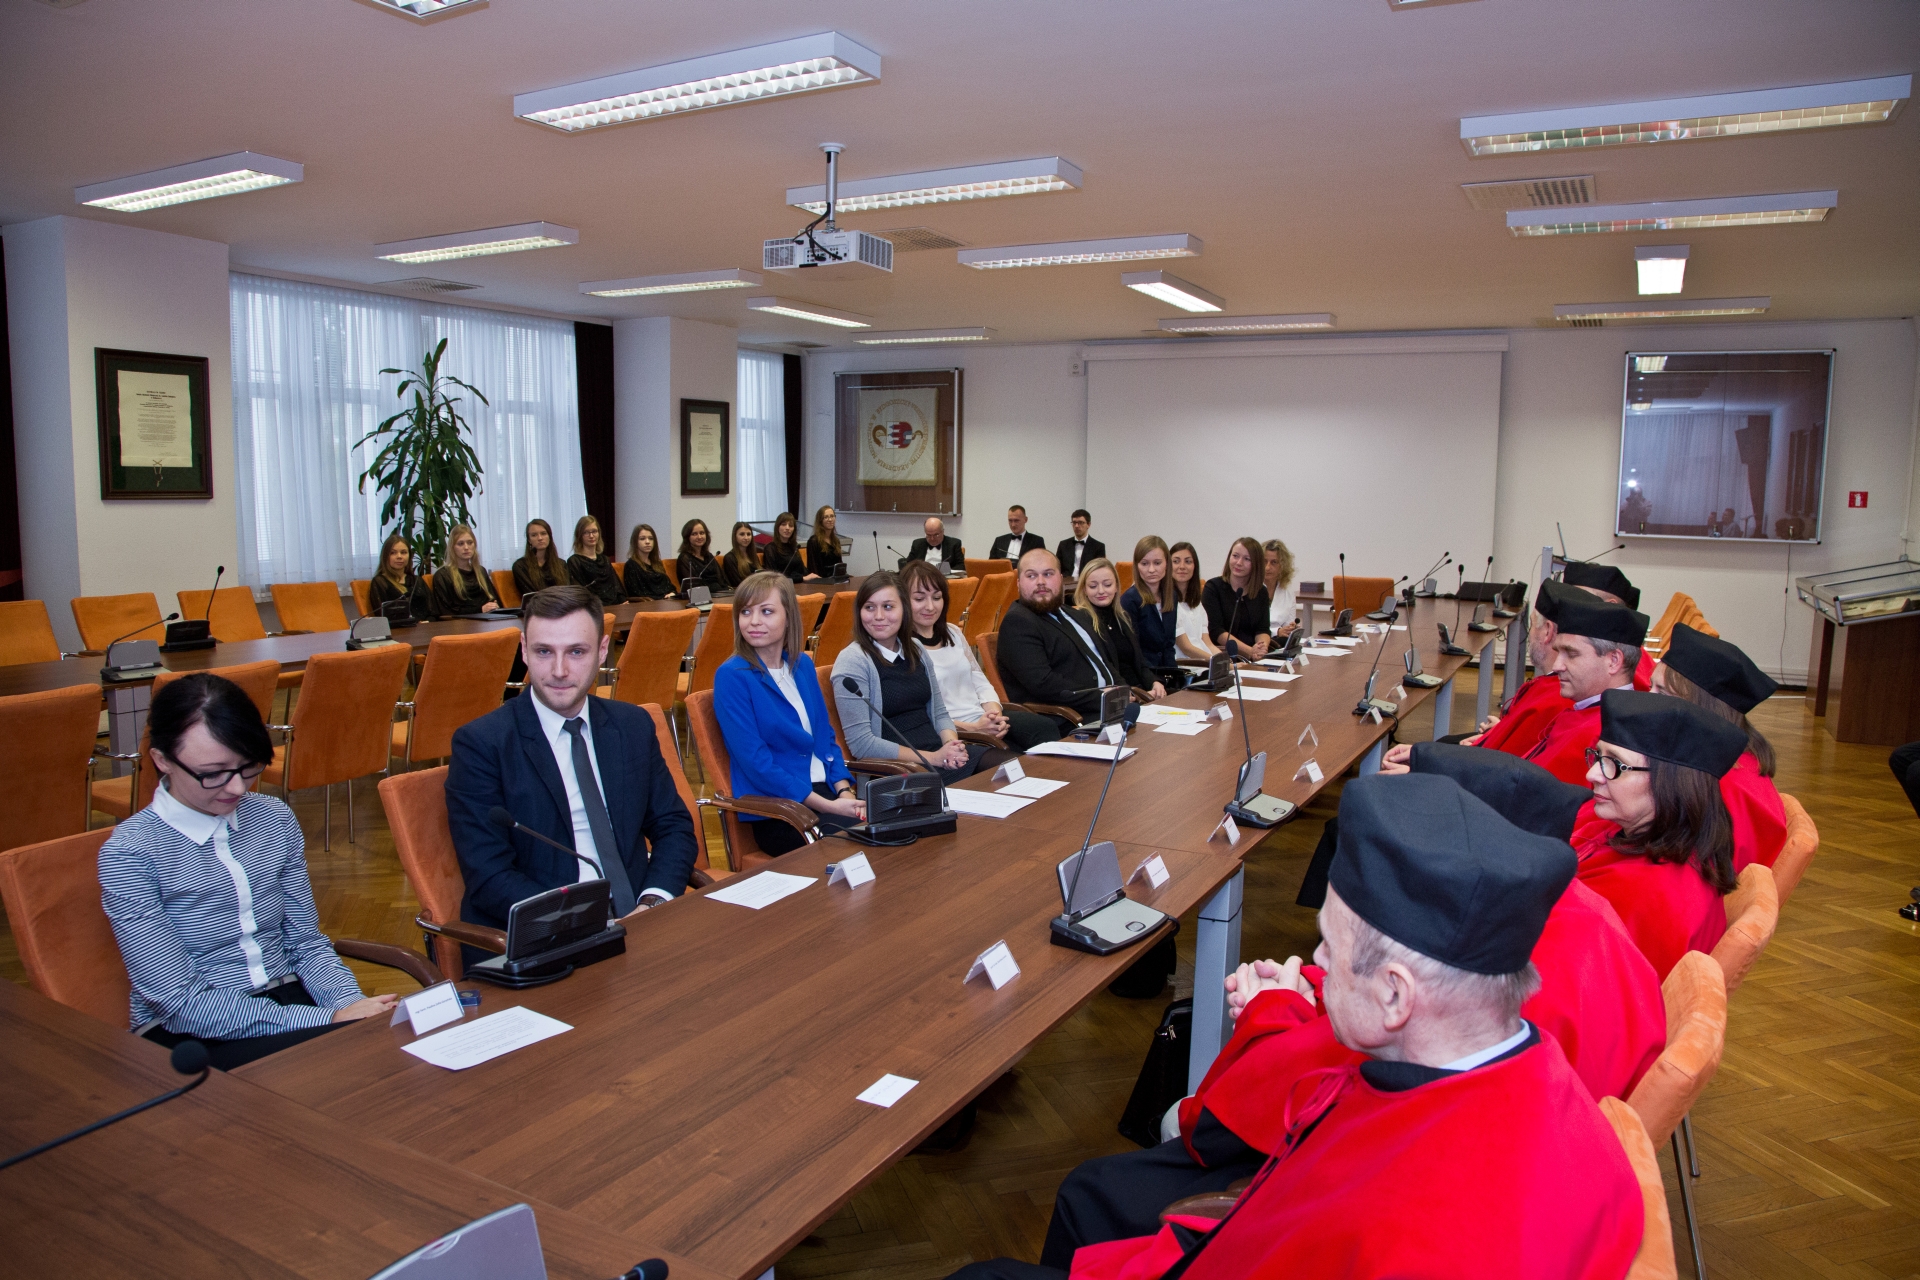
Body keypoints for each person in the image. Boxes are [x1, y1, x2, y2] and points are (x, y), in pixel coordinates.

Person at [961, 773, 1642, 1280]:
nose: (1315, 961)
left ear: (1396, 995)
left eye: (1329, 948)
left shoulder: (1420, 1236)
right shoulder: (1529, 1081)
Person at [99, 674, 396, 1071]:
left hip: (289, 999)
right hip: (189, 1030)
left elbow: (306, 942)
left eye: (249, 766)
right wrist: (328, 1019)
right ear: (162, 760)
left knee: (383, 1055)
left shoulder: (273, 819)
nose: (237, 788)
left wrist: (350, 1005)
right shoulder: (131, 853)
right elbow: (178, 1000)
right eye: (214, 772)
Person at [445, 586, 700, 945]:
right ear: (524, 650)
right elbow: (490, 876)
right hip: (546, 937)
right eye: (544, 651)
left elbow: (673, 826)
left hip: (642, 919)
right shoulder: (482, 744)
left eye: (576, 652)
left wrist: (653, 902)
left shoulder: (632, 725)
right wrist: (585, 927)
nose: (559, 670)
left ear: (602, 651)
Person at [1387, 579, 1645, 785]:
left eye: (1572, 654)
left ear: (1613, 661)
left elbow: (1523, 795)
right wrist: (1430, 760)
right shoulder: (1587, 711)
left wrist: (1431, 771)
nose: (1557, 666)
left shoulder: (1600, 732)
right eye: (1560, 651)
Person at [1573, 689, 1743, 979]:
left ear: (1670, 782)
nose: (1593, 775)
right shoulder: (1633, 831)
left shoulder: (1649, 895)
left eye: (1615, 763)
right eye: (1597, 756)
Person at [712, 571, 865, 855]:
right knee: (861, 846)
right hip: (781, 809)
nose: (753, 621)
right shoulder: (732, 675)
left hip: (826, 791)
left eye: (766, 611)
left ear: (788, 617)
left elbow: (825, 737)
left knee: (892, 833)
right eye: (746, 612)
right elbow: (757, 763)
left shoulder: (801, 665)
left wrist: (844, 790)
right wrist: (828, 806)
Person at [831, 572, 994, 782]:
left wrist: (951, 746)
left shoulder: (915, 648)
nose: (878, 616)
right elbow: (862, 745)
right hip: (899, 771)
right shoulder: (853, 661)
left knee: (1010, 768)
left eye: (888, 606)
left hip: (938, 755)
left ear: (904, 610)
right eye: (869, 607)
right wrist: (934, 758)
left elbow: (940, 713)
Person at [1653, 623, 1786, 871]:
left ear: (1702, 707)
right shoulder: (1724, 760)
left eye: (1661, 691)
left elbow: (1710, 871)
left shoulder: (1727, 785)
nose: (1647, 700)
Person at [902, 560, 1062, 752]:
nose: (930, 606)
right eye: (919, 599)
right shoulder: (903, 647)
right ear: (903, 600)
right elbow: (920, 714)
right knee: (1014, 754)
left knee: (1044, 728)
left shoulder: (953, 632)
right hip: (953, 729)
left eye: (936, 597)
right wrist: (975, 728)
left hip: (981, 715)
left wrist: (994, 714)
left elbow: (979, 679)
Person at [996, 549, 1125, 727]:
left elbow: (1103, 662)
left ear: (1061, 579)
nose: (1041, 582)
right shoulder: (1018, 622)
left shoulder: (1075, 614)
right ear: (1018, 583)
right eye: (1031, 576)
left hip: (1109, 708)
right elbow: (1044, 684)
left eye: (1048, 574)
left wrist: (1123, 691)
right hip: (1069, 718)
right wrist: (1103, 698)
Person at [1075, 557, 1164, 697]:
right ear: (1084, 589)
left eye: (1107, 584)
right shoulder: (1082, 621)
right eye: (1093, 586)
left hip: (1141, 691)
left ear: (1116, 586)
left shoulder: (1123, 617)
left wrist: (1154, 682)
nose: (1101, 591)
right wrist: (1132, 694)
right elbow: (1099, 671)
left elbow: (1139, 661)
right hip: (1117, 696)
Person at [1201, 535, 1273, 656]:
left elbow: (1263, 629)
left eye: (1247, 559)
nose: (1239, 563)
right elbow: (1216, 631)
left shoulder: (1261, 592)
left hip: (1254, 655)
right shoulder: (1213, 588)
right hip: (1223, 655)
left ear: (1256, 563)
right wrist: (1250, 651)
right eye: (1235, 556)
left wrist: (1262, 647)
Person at [1120, 536, 1180, 675]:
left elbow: (1169, 645)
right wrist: (1153, 681)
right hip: (1143, 675)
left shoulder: (1171, 596)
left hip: (1167, 672)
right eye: (1144, 563)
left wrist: (1175, 677)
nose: (1151, 569)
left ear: (1167, 564)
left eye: (1157, 563)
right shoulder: (1129, 600)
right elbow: (1134, 651)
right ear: (1137, 566)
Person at [429, 523, 504, 617]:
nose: (466, 547)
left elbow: (494, 600)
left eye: (470, 542)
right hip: (459, 623)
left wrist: (494, 606)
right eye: (460, 544)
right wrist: (480, 610)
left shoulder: (481, 571)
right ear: (452, 548)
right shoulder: (443, 575)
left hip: (486, 620)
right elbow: (445, 611)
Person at [1166, 541, 1218, 661]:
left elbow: (1208, 644)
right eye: (1176, 561)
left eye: (1188, 561)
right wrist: (1217, 662)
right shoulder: (1168, 602)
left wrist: (1227, 661)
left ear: (1195, 566)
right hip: (1185, 666)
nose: (1182, 566)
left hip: (1204, 663)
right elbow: (1186, 648)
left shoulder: (1196, 602)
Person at [366, 532, 432, 620]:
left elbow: (433, 611)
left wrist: (428, 622)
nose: (399, 556)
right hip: (399, 627)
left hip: (426, 626)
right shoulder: (380, 582)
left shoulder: (417, 580)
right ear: (385, 556)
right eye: (393, 553)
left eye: (403, 552)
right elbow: (383, 616)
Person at [566, 515, 626, 605]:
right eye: (586, 532)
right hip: (592, 607)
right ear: (579, 535)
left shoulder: (605, 559)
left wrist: (623, 602)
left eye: (594, 531)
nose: (591, 536)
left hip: (615, 605)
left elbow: (616, 586)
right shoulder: (574, 561)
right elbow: (580, 592)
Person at [512, 518, 571, 598]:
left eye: (543, 533)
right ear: (529, 540)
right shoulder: (520, 566)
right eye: (534, 535)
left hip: (561, 604)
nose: (540, 538)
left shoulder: (561, 564)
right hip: (537, 604)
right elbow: (532, 595)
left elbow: (567, 591)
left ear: (549, 537)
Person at [622, 523, 675, 599]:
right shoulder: (631, 565)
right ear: (635, 542)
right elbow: (635, 594)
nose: (647, 542)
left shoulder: (657, 563)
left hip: (666, 601)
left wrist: (672, 593)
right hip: (649, 604)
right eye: (642, 539)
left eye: (651, 538)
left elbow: (670, 587)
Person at [1262, 539, 1299, 637]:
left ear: (1283, 566)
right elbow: (1249, 628)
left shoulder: (1288, 591)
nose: (1267, 567)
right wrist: (1277, 632)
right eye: (1264, 562)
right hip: (1257, 641)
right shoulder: (1251, 588)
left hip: (1280, 640)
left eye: (1274, 562)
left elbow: (1289, 624)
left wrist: (1290, 628)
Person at [761, 512, 812, 583]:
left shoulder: (794, 546)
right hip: (782, 586)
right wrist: (802, 578)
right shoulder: (770, 548)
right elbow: (773, 577)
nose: (787, 528)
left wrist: (812, 576)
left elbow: (802, 569)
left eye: (791, 525)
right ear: (777, 527)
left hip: (801, 584)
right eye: (783, 524)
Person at [1055, 509, 1105, 580]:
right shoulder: (1063, 544)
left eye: (1080, 523)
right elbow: (1057, 567)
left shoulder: (1098, 546)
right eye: (1074, 523)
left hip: (1086, 581)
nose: (1076, 526)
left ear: (1088, 524)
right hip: (1066, 582)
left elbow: (1099, 570)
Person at [676, 518, 723, 594]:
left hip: (719, 594)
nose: (699, 537)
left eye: (702, 533)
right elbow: (693, 587)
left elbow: (721, 579)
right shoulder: (684, 558)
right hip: (701, 596)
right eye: (694, 534)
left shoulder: (709, 556)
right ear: (687, 537)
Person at [805, 505, 845, 580]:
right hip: (821, 581)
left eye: (832, 516)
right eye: (826, 517)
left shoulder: (836, 541)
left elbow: (840, 564)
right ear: (820, 520)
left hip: (836, 580)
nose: (830, 520)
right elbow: (813, 568)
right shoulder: (813, 541)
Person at [717, 521, 760, 590]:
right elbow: (737, 583)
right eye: (742, 534)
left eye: (748, 534)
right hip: (742, 592)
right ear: (735, 537)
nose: (746, 538)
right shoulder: (730, 558)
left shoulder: (753, 556)